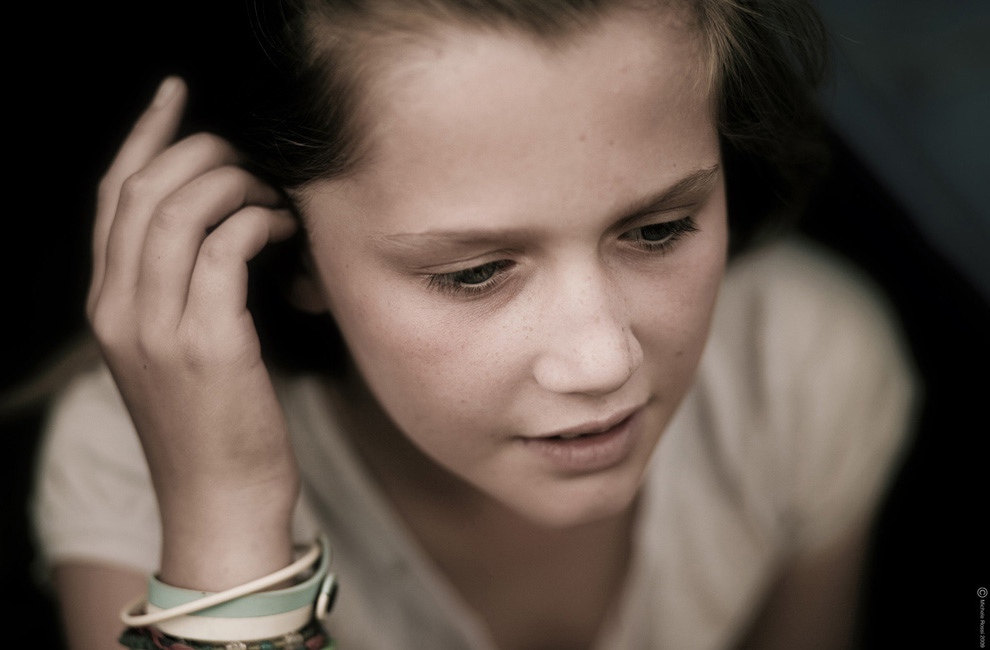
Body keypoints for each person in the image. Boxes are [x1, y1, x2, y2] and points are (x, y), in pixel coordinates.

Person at [30, 0, 919, 649]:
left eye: (657, 230)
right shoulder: (142, 472)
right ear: (292, 252)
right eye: (475, 272)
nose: (602, 360)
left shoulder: (798, 369)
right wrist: (225, 526)